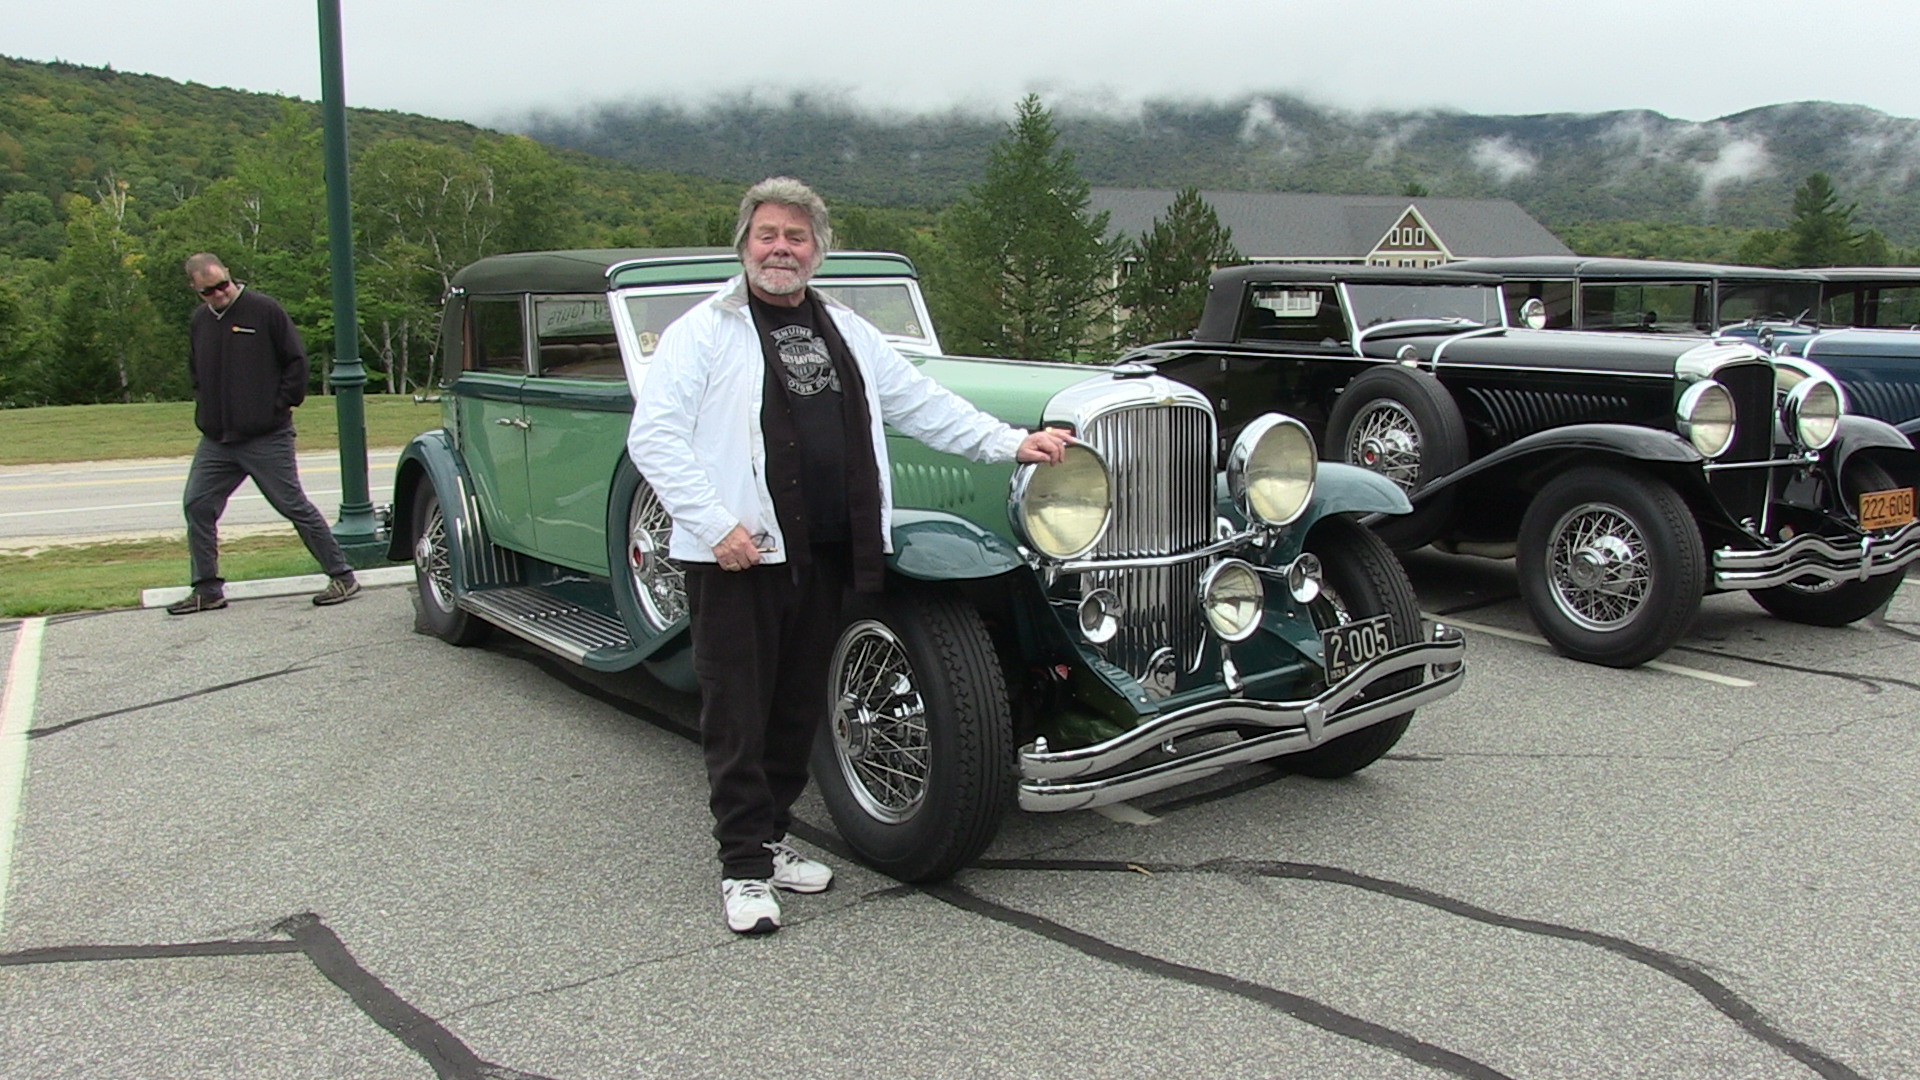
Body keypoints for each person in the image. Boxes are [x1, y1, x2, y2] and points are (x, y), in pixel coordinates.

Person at [627, 177, 1072, 934]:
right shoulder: (701, 332)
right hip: (739, 554)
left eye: (796, 237)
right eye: (767, 234)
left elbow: (919, 404)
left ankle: (770, 843)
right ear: (744, 245)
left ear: (817, 250)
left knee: (799, 703)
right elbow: (655, 439)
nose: (781, 249)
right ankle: (741, 871)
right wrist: (717, 524)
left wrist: (1008, 443)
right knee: (738, 711)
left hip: (828, 550)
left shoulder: (847, 329)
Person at [168, 253, 359, 615]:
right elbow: (195, 369)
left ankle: (342, 575)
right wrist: (206, 407)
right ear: (196, 290)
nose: (220, 294)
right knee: (197, 503)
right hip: (218, 438)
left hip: (265, 435)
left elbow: (296, 361)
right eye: (209, 291)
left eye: (223, 284)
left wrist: (278, 405)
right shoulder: (200, 322)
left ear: (229, 275)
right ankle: (207, 588)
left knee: (292, 504)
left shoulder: (264, 310)